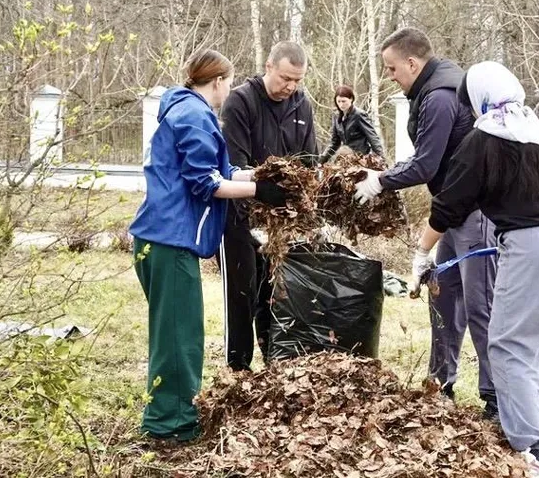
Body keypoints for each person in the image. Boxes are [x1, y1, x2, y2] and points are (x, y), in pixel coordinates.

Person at [411, 61, 539, 476]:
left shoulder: (484, 139)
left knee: (508, 345)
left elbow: (448, 206)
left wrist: (422, 253)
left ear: (479, 100)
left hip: (530, 249)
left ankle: (532, 452)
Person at [129, 49, 288, 443]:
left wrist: (261, 176)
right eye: (228, 83)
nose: (228, 90)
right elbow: (207, 183)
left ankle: (168, 415)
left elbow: (222, 171)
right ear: (218, 81)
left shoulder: (186, 111)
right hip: (169, 241)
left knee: (175, 333)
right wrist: (259, 191)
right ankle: (172, 424)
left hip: (164, 240)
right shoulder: (194, 115)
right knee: (179, 338)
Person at [353, 27, 498, 418]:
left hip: (477, 216)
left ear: (413, 63)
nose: (389, 76)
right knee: (442, 296)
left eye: (392, 68)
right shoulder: (431, 89)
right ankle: (440, 383)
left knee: (480, 307)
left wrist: (381, 181)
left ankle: (496, 398)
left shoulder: (439, 97)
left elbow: (426, 165)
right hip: (452, 213)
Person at [218, 41, 318, 371]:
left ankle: (275, 365)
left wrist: (304, 203)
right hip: (239, 215)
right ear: (269, 67)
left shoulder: (302, 106)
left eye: (297, 80)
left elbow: (309, 161)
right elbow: (233, 165)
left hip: (279, 220)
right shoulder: (241, 101)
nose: (290, 87)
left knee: (275, 293)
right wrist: (263, 190)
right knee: (243, 293)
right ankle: (238, 368)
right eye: (285, 78)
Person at [318, 85, 385, 163]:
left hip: (361, 158)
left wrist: (381, 159)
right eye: (338, 101)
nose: (341, 105)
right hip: (346, 158)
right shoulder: (336, 116)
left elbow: (373, 138)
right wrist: (321, 161)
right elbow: (334, 143)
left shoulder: (359, 115)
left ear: (351, 99)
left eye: (344, 101)